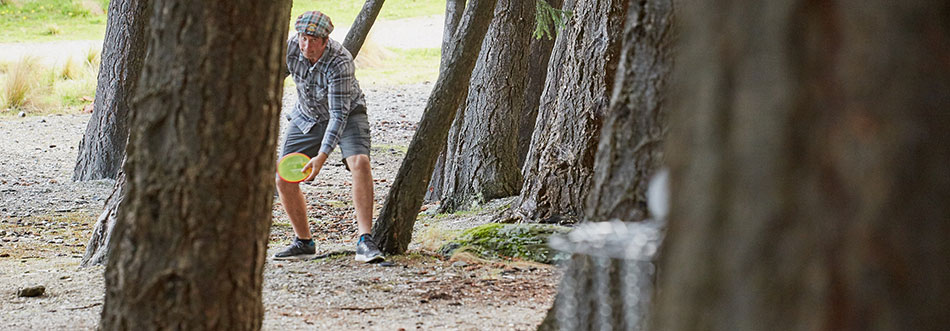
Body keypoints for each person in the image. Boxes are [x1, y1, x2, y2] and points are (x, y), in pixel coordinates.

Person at [274, 11, 383, 263]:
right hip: (307, 115)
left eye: (313, 40)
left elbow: (338, 115)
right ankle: (303, 242)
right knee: (283, 177)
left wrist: (321, 157)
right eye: (303, 38)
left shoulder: (340, 61)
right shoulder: (291, 48)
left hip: (347, 115)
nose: (306, 45)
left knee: (360, 163)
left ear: (325, 40)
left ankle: (365, 240)